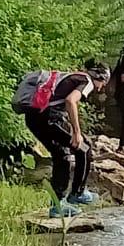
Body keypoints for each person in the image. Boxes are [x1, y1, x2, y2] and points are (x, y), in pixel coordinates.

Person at [25, 63, 111, 217]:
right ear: (99, 77)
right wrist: (76, 132)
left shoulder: (71, 76)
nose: (100, 88)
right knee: (83, 147)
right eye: (103, 84)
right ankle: (77, 194)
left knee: (61, 155)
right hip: (50, 118)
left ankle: (58, 205)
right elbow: (71, 101)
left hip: (33, 118)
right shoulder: (87, 81)